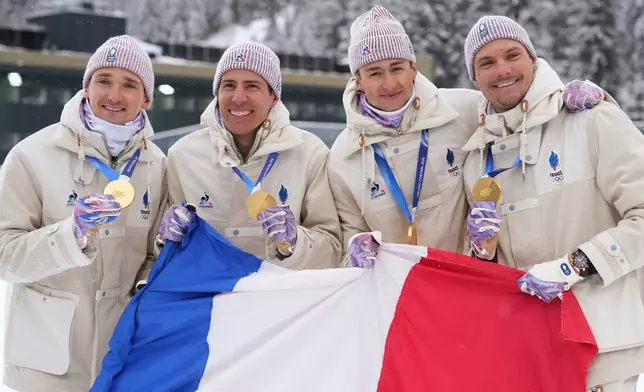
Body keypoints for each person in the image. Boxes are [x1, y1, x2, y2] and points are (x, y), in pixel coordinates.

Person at [327, 6, 598, 268]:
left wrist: (563, 95)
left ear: (413, 68)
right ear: (358, 80)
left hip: (467, 287)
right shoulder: (343, 155)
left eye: (397, 68)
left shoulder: (463, 110)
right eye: (375, 73)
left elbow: (518, 107)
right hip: (398, 298)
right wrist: (354, 253)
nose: (389, 83)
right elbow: (343, 242)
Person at [461, 15, 644, 392]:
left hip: (604, 349)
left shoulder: (590, 119)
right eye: (487, 63)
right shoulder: (477, 159)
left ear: (533, 59)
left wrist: (575, 265)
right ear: (474, 79)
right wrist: (484, 251)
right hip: (528, 351)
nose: (503, 70)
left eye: (512, 55)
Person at [0, 35, 167, 391]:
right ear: (87, 86)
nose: (114, 95)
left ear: (146, 97)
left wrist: (148, 280)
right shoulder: (31, 156)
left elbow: (155, 255)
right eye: (103, 80)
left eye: (129, 84)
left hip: (123, 359)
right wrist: (69, 236)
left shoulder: (158, 167)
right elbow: (4, 256)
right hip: (46, 368)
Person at [158, 42, 342, 269]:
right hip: (208, 300)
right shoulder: (183, 156)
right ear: (217, 93)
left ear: (273, 97)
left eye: (252, 86)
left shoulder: (309, 153)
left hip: (281, 300)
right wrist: (165, 242)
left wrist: (296, 241)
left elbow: (333, 248)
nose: (238, 97)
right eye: (229, 85)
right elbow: (161, 252)